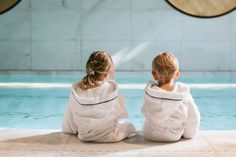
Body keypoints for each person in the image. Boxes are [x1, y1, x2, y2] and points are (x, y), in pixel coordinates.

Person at [62, 51, 136, 142]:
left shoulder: (77, 90)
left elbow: (70, 118)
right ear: (107, 73)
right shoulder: (111, 88)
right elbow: (120, 113)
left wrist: (71, 130)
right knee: (130, 126)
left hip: (84, 135)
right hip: (110, 136)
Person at [141, 52, 200, 142]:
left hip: (150, 134)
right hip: (173, 136)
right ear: (177, 74)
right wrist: (189, 135)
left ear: (154, 75)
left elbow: (145, 112)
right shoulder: (183, 96)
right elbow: (193, 119)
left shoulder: (149, 94)